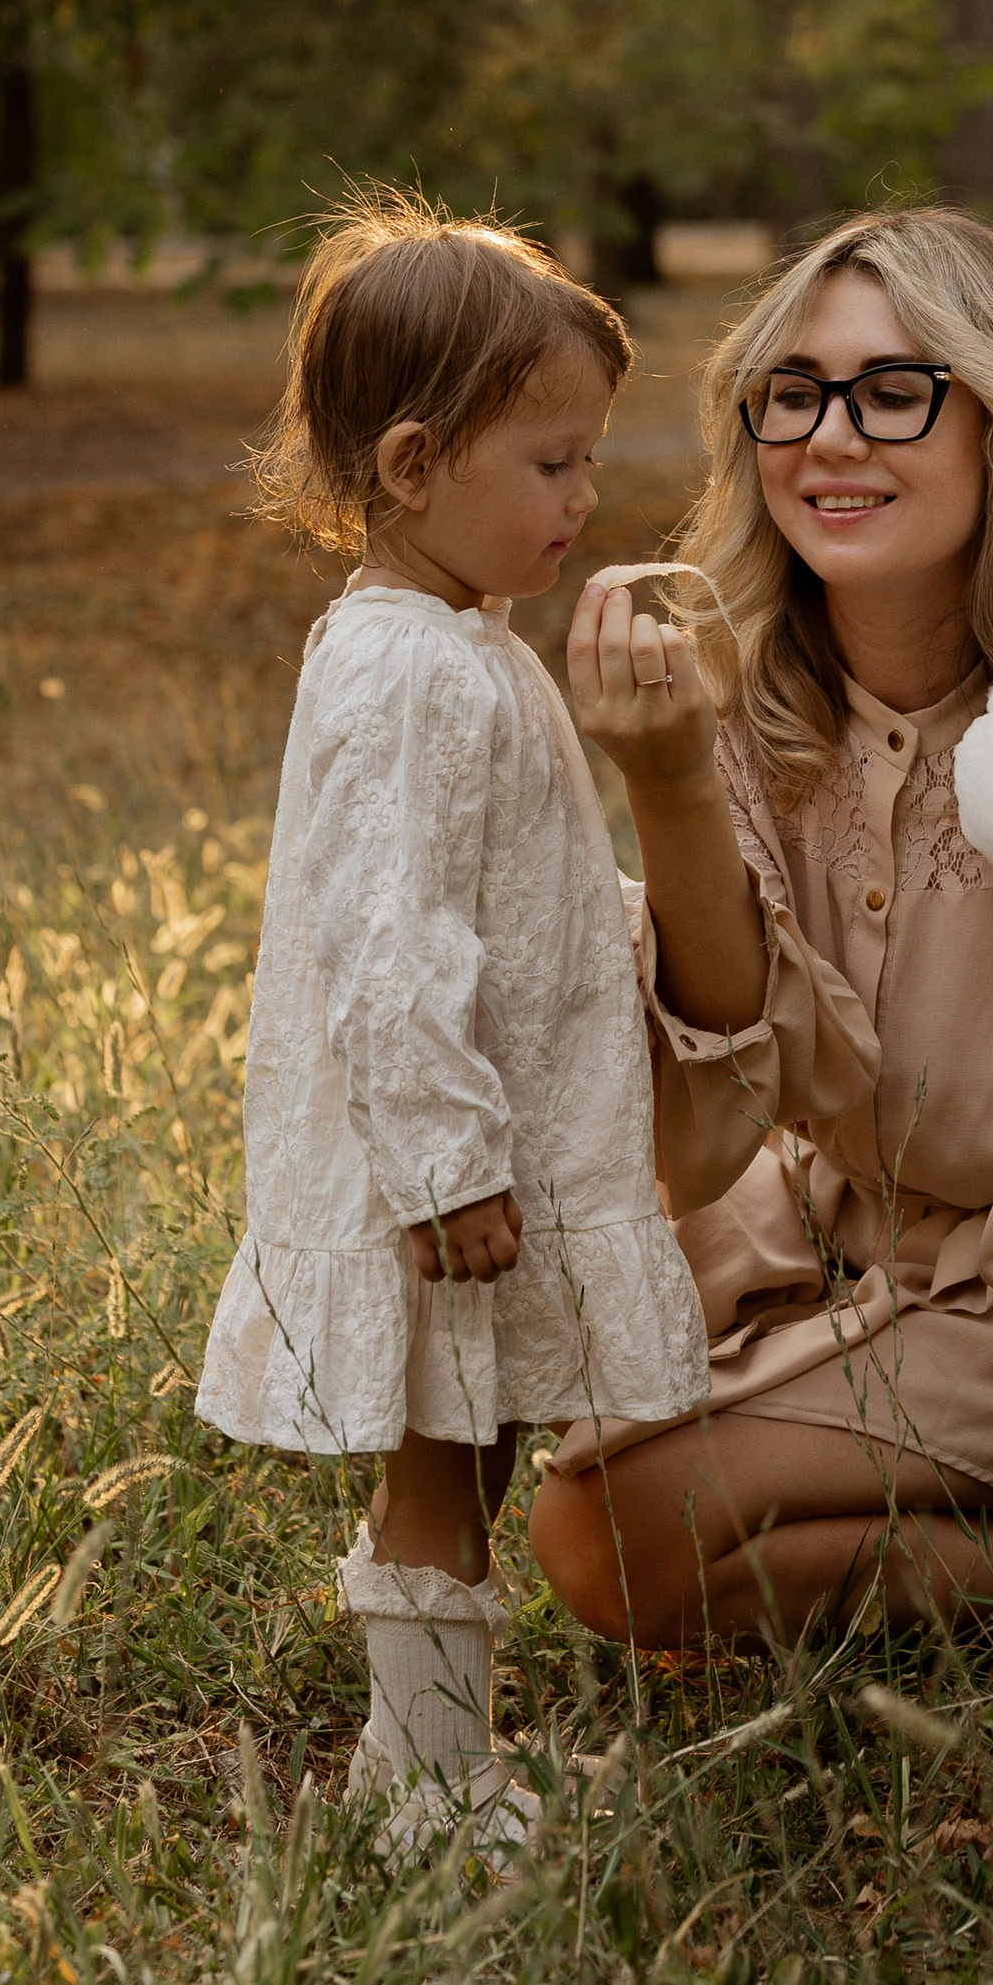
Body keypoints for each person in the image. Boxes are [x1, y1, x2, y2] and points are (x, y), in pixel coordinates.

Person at [535, 205, 993, 1648]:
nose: (831, 437)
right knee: (535, 1375)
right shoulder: (744, 701)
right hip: (837, 1244)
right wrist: (671, 786)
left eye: (895, 392)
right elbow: (718, 1112)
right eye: (793, 393)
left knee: (606, 1537)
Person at [197, 188, 709, 1848]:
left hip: (485, 1140)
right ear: (414, 467)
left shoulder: (463, 643)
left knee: (473, 1446)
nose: (586, 496)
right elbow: (384, 941)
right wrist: (441, 1168)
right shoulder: (403, 672)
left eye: (588, 458)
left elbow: (504, 891)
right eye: (550, 465)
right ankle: (422, 1785)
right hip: (444, 1171)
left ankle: (441, 1754)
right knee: (439, 1462)